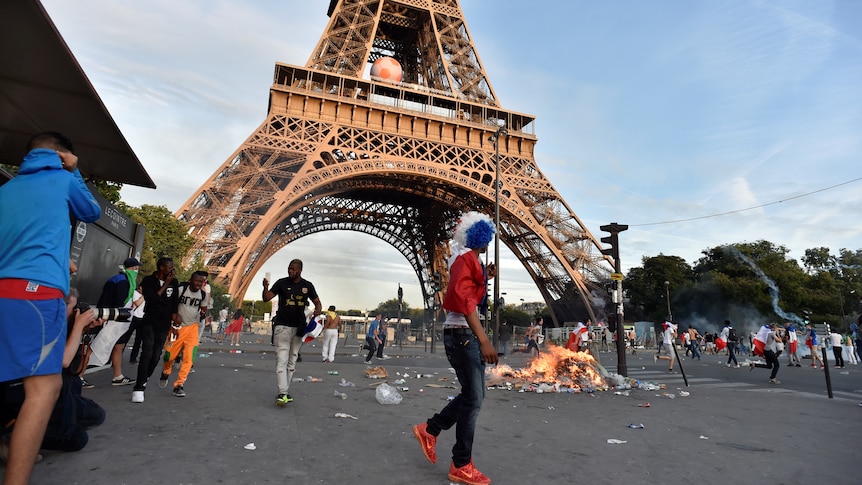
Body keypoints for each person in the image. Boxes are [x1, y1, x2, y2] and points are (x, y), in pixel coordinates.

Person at [0, 131, 101, 484]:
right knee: (43, 391)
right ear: (62, 155)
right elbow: (91, 210)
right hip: (36, 297)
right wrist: (73, 170)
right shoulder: (61, 178)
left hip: (4, 292)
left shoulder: (7, 189)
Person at [412, 211, 498, 485]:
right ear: (479, 236)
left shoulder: (469, 259)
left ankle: (431, 429)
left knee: (474, 395)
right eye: (487, 237)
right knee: (474, 398)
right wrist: (483, 339)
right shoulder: (464, 259)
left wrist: (487, 277)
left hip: (461, 333)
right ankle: (461, 462)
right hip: (463, 335)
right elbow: (461, 299)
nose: (489, 242)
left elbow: (467, 291)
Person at [262, 259, 322, 407]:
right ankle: (282, 392)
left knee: (292, 360)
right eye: (289, 269)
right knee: (282, 359)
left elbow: (318, 303)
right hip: (282, 326)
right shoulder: (281, 283)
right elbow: (267, 298)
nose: (290, 271)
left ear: (300, 270)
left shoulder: (307, 286)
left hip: (299, 328)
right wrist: (265, 287)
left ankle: (285, 391)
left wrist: (317, 312)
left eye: (293, 269)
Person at [87, 257, 142, 387]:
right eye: (136, 267)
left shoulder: (119, 279)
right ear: (134, 268)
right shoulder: (124, 282)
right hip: (112, 320)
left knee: (119, 346)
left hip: (114, 319)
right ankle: (78, 375)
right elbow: (119, 302)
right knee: (96, 347)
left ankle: (118, 376)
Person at [131, 257, 179, 404]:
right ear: (160, 267)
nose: (170, 270)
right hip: (149, 320)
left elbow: (174, 303)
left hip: (164, 323)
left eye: (172, 267)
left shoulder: (175, 283)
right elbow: (151, 299)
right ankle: (139, 388)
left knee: (157, 355)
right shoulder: (148, 280)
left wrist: (175, 325)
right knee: (147, 352)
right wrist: (167, 284)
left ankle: (144, 379)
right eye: (167, 267)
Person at [159, 271, 208, 397]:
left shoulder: (203, 294)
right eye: (196, 281)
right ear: (191, 280)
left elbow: (203, 308)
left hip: (192, 327)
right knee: (169, 356)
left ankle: (179, 385)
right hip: (177, 327)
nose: (198, 284)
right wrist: (173, 319)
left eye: (201, 282)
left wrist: (203, 315)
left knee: (189, 357)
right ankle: (166, 370)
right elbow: (171, 306)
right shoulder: (180, 290)